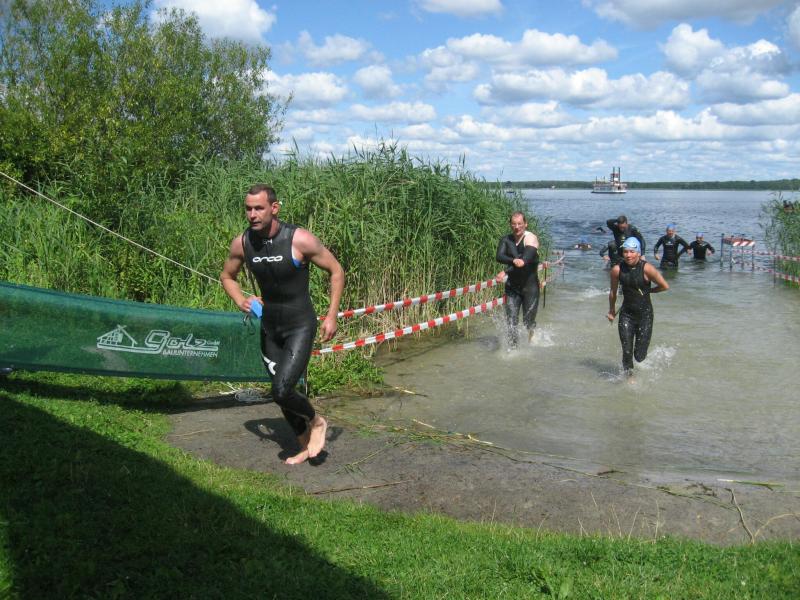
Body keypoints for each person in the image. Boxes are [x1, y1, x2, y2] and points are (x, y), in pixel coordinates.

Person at [221, 184, 344, 465]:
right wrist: (240, 299)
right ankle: (304, 446)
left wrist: (331, 315)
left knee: (282, 390)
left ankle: (317, 421)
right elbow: (227, 276)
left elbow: (336, 270)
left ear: (274, 208)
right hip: (270, 329)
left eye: (259, 208)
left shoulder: (299, 239)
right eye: (248, 209)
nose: (252, 214)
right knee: (280, 392)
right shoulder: (242, 243)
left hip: (299, 325)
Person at [607, 237, 669, 376]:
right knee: (627, 350)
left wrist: (650, 290)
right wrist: (611, 311)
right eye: (625, 251)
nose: (628, 255)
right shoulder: (617, 270)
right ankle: (629, 377)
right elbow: (613, 292)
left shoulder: (647, 269)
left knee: (639, 356)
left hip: (645, 316)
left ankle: (641, 360)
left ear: (639, 253)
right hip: (626, 315)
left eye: (632, 252)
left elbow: (664, 286)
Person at [495, 211, 540, 348]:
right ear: (510, 224)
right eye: (514, 224)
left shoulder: (530, 238)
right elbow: (499, 256)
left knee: (528, 322)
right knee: (511, 321)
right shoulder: (506, 239)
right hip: (512, 287)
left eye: (520, 223)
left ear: (525, 224)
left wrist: (506, 270)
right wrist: (513, 260)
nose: (517, 227)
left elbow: (525, 259)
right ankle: (513, 348)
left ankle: (531, 339)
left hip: (530, 288)